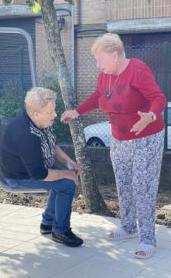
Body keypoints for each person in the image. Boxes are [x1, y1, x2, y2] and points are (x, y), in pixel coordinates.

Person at [61, 33, 166, 259]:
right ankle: (128, 227)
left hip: (146, 139)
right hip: (119, 139)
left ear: (115, 55)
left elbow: (158, 97)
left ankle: (148, 239)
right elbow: (98, 97)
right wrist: (77, 112)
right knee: (124, 183)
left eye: (100, 59)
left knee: (143, 188)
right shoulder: (104, 76)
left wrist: (150, 115)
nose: (98, 64)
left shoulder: (136, 69)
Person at [0, 87, 84, 247]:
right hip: (18, 177)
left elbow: (51, 144)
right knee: (66, 183)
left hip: (36, 168)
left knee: (64, 177)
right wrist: (66, 174)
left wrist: (68, 162)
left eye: (54, 110)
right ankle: (60, 231)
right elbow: (41, 175)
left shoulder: (40, 121)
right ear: (36, 113)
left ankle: (47, 224)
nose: (55, 115)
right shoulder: (26, 135)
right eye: (50, 112)